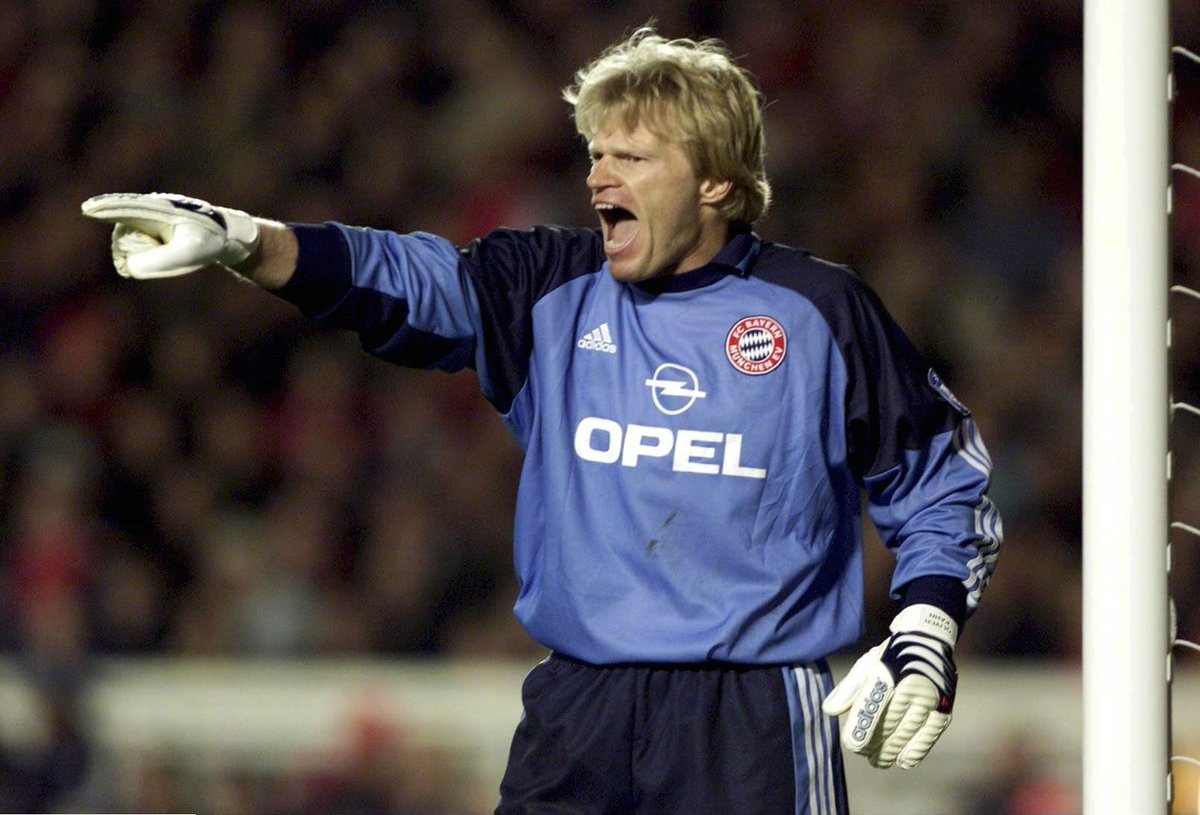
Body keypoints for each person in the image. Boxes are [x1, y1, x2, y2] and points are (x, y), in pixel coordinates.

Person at [82, 26, 1002, 815]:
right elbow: (401, 277)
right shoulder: (549, 288)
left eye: (631, 157)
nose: (598, 176)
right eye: (595, 153)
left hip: (750, 720)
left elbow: (943, 481)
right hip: (576, 715)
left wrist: (924, 628)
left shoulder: (821, 313)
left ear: (718, 183)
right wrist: (249, 241)